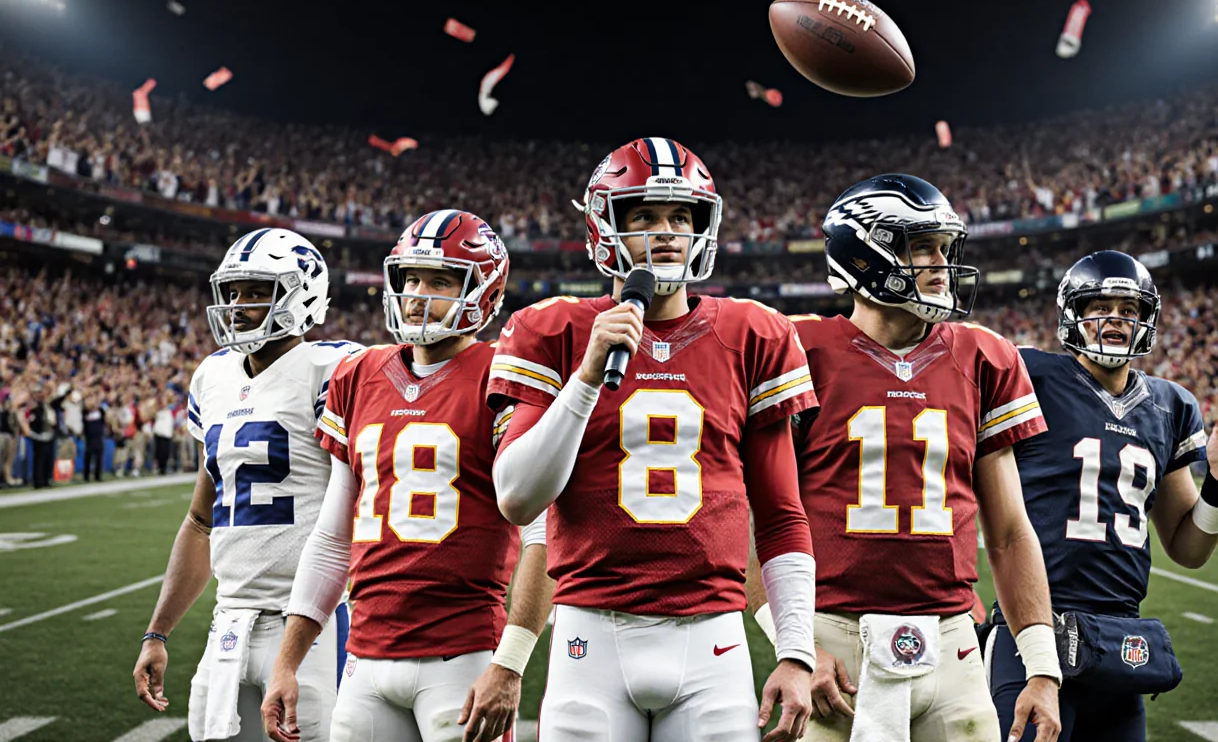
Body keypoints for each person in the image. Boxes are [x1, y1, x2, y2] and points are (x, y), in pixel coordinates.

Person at [488, 137, 817, 742]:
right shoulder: (551, 329)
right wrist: (586, 377)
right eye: (643, 216)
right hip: (590, 632)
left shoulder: (755, 333)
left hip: (712, 636)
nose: (666, 232)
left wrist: (796, 651)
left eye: (680, 217)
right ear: (604, 227)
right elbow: (517, 497)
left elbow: (781, 514)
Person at [752, 174, 1061, 742]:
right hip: (834, 650)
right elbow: (755, 523)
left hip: (953, 645)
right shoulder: (800, 349)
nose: (941, 264)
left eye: (945, 248)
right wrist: (796, 646)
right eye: (921, 247)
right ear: (863, 253)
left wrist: (1041, 666)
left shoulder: (985, 357)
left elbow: (1011, 531)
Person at [261, 210, 552, 742]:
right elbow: (331, 538)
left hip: (461, 655)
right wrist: (288, 661)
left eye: (441, 280)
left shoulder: (504, 375)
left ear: (483, 289)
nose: (419, 294)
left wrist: (510, 663)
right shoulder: (359, 373)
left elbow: (544, 538)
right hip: (365, 657)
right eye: (411, 278)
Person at [985, 251, 1218, 742]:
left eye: (1129, 309)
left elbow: (1187, 548)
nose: (1116, 318)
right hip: (1033, 626)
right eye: (1100, 305)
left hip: (1120, 638)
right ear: (1072, 313)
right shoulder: (1030, 375)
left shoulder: (1169, 404)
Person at [131, 228, 361, 742]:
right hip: (228, 625)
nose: (238, 306)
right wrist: (157, 632)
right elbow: (199, 520)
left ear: (302, 296)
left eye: (257, 291)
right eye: (233, 292)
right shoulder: (213, 376)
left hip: (312, 627)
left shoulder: (334, 370)